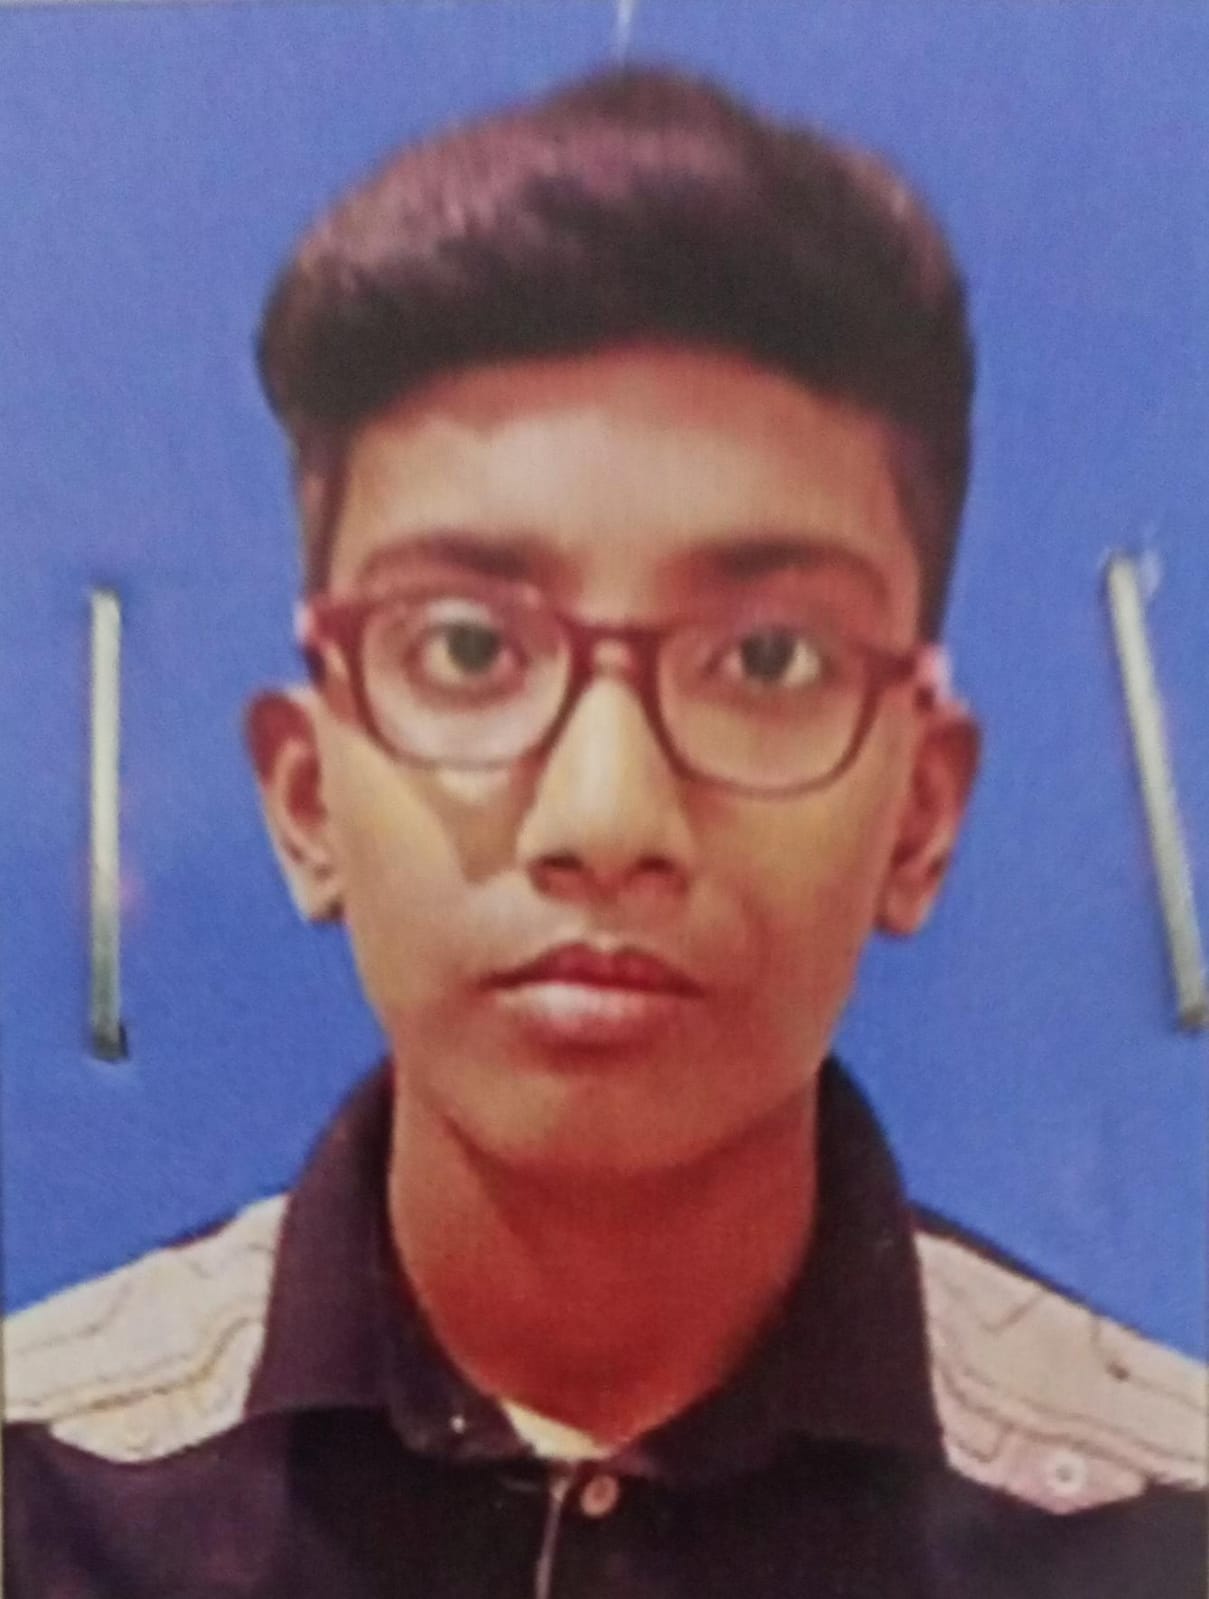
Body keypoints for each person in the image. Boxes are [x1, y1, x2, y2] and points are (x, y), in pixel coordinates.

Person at [5, 66, 1204, 1598]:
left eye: (764, 658)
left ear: (920, 814)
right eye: (465, 647)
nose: (605, 816)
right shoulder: (45, 1498)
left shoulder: (1161, 1534)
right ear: (305, 800)